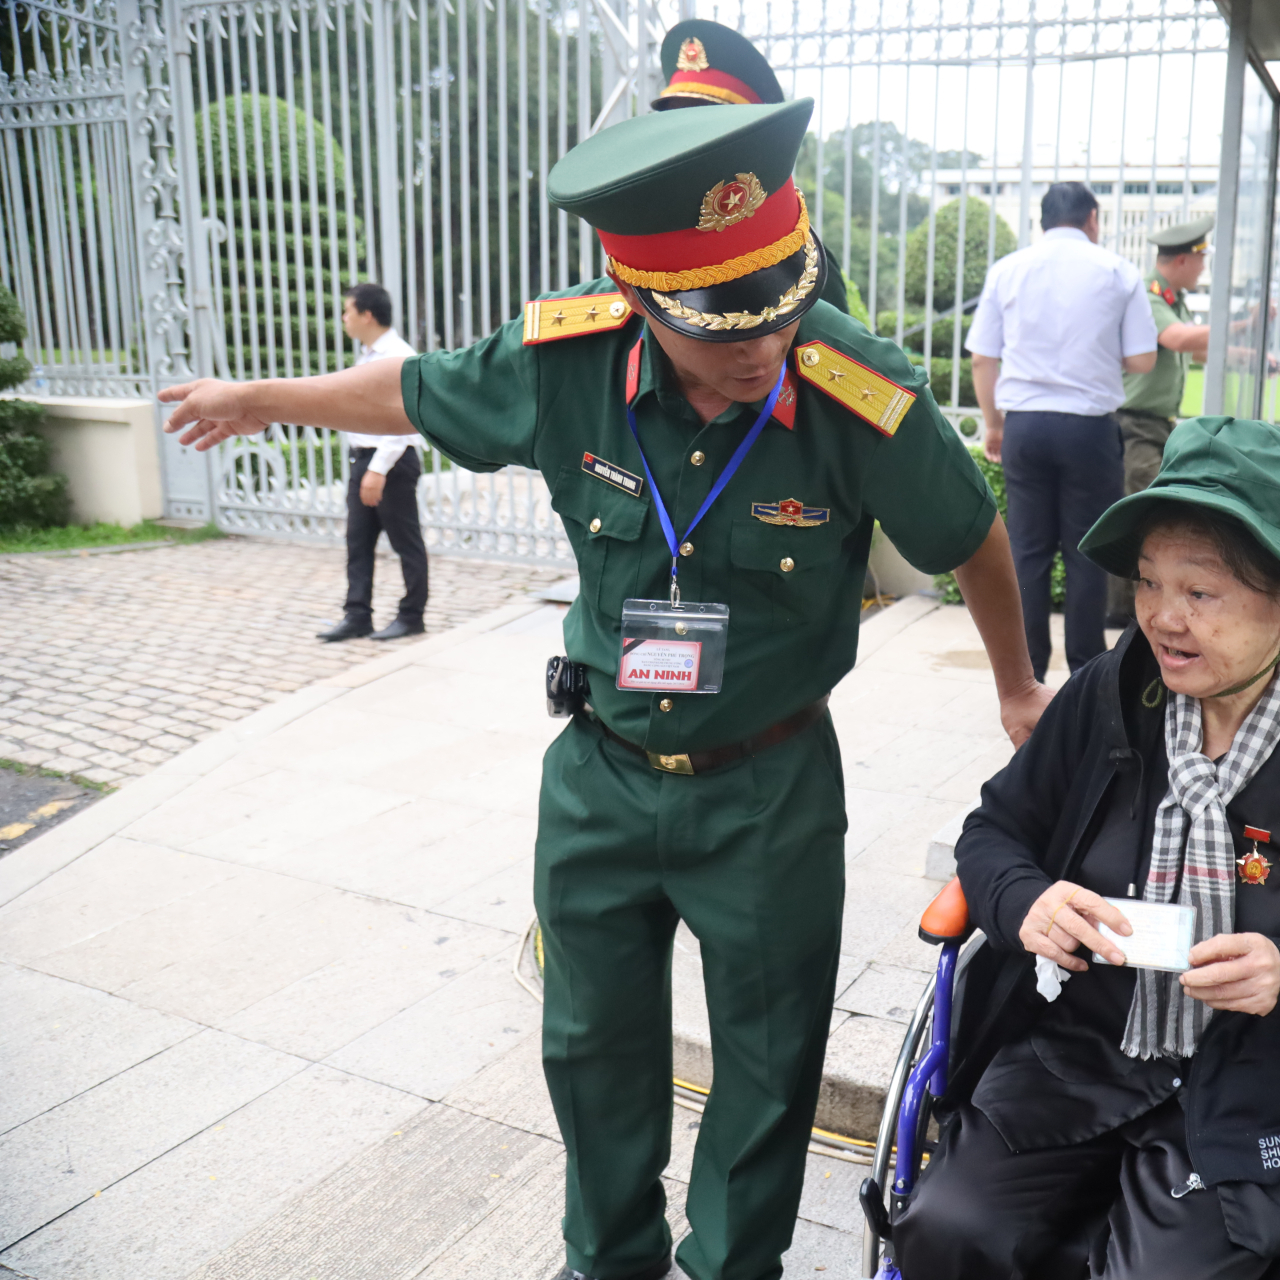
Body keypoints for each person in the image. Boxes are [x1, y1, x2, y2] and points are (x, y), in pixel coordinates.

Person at [160, 99, 1049, 1280]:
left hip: (770, 787)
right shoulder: (566, 360)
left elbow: (971, 530)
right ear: (636, 295)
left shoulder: (850, 385)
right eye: (719, 326)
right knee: (589, 1047)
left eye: (776, 309)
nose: (758, 346)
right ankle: (609, 1258)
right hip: (601, 777)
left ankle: (734, 1264)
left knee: (770, 1059)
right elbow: (416, 394)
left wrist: (1018, 689)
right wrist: (260, 397)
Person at [890, 416, 1280, 1280]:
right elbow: (995, 831)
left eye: (1201, 594)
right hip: (1076, 1052)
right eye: (1148, 584)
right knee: (947, 1232)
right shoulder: (1111, 693)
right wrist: (1027, 901)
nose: (1161, 619)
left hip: (1250, 1090)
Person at [967, 181, 1159, 682]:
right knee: (1084, 552)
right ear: (1092, 218)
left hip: (1026, 426)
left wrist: (993, 424)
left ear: (1042, 221)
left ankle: (1027, 675)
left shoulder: (1008, 270)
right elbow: (1143, 358)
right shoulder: (1118, 271)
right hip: (1089, 429)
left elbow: (983, 358)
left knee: (1027, 552)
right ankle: (1085, 672)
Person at [650, 18, 850, 315]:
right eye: (675, 122)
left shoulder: (801, 260)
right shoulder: (647, 238)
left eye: (706, 124)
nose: (686, 141)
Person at [1105, 215, 1213, 627]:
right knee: (1138, 514)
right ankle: (1120, 612)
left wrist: (1248, 352)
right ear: (1184, 259)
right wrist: (1240, 325)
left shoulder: (1174, 301)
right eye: (1201, 259)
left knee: (1146, 514)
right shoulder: (1151, 298)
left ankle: (1129, 609)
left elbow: (1194, 351)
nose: (1204, 267)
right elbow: (1178, 340)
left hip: (1155, 427)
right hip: (1134, 424)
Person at [316, 282, 428, 642]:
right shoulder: (367, 355)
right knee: (358, 542)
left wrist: (378, 468)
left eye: (347, 310)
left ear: (367, 314)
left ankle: (412, 616)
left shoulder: (397, 354)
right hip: (363, 460)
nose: (344, 318)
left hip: (391, 462)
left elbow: (405, 418)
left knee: (404, 542)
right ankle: (357, 615)